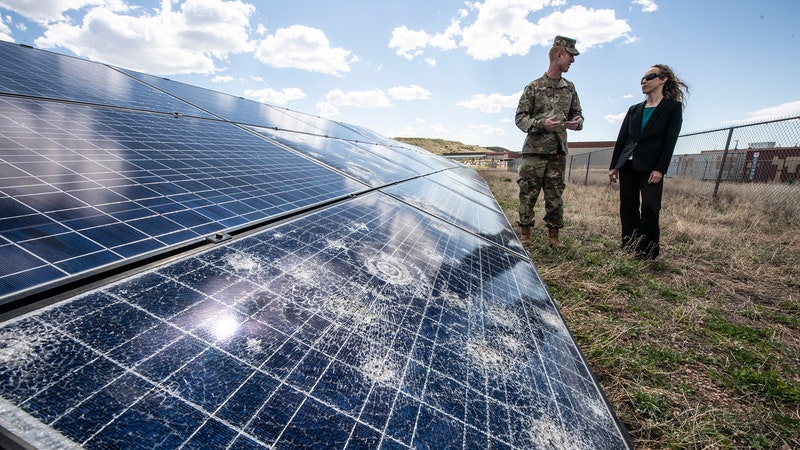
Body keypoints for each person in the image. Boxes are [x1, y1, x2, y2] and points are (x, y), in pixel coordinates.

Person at [608, 64, 689, 259]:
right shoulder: (634, 109)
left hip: (651, 168)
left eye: (650, 77)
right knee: (628, 206)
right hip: (628, 164)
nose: (644, 81)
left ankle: (648, 252)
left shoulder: (672, 108)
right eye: (642, 79)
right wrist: (614, 165)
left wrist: (660, 168)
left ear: (663, 79)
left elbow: (670, 141)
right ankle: (629, 246)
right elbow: (622, 139)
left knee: (651, 208)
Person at [515, 35, 584, 248]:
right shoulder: (534, 87)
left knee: (555, 196)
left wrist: (577, 122)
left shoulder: (570, 88)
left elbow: (579, 115)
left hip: (557, 153)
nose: (572, 61)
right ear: (558, 54)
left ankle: (554, 238)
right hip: (534, 152)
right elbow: (520, 118)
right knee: (528, 193)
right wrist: (542, 124)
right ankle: (526, 234)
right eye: (570, 56)